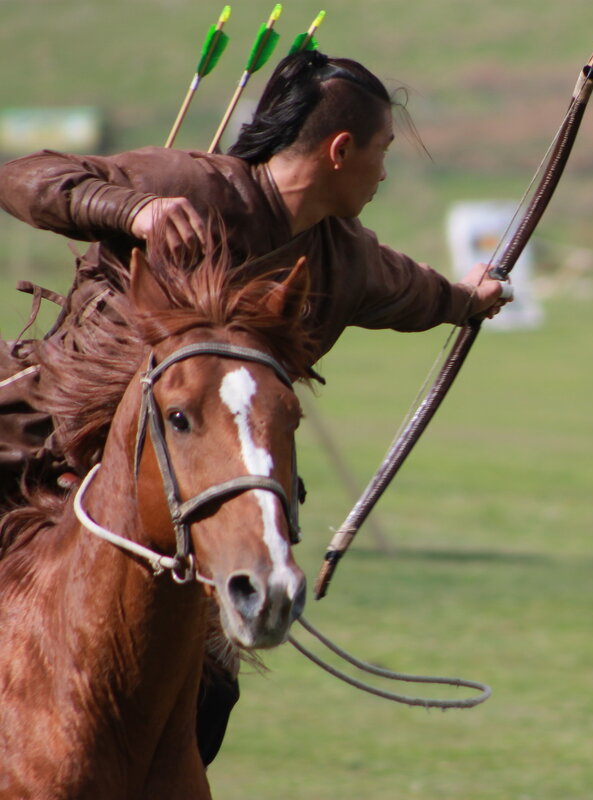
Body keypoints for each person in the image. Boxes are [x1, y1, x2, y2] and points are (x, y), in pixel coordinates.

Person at [0, 50, 511, 764]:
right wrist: (133, 209)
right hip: (42, 447)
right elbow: (22, 178)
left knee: (207, 694)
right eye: (383, 151)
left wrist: (466, 299)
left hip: (193, 513)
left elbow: (416, 290)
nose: (386, 172)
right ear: (341, 150)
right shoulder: (186, 185)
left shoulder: (345, 259)